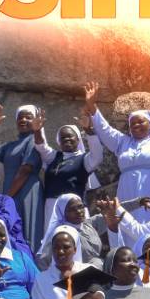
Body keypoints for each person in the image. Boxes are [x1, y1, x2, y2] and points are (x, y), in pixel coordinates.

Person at [86, 71, 150, 223]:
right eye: (132, 123)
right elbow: (104, 129)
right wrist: (92, 106)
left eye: (141, 121)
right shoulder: (123, 142)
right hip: (127, 191)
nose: (136, 125)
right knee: (128, 226)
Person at [33, 93, 104, 226]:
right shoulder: (54, 157)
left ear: (78, 139)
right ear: (59, 142)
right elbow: (41, 147)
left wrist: (88, 129)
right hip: (52, 208)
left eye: (70, 137)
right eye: (63, 138)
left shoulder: (84, 160)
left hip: (75, 209)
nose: (67, 139)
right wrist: (37, 130)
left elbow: (98, 155)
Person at [0, 103, 46, 249]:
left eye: (28, 117)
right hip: (11, 193)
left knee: (27, 232)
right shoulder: (11, 145)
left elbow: (25, 170)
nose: (23, 120)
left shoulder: (33, 141)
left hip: (27, 192)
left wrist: (6, 198)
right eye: (20, 117)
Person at [30, 225, 91, 299]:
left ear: (75, 249)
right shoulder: (42, 279)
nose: (60, 251)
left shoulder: (88, 272)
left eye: (66, 247)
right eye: (56, 248)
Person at [35, 193, 102, 270]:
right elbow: (42, 261)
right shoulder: (60, 235)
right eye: (72, 209)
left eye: (81, 207)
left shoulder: (87, 225)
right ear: (63, 212)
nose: (79, 211)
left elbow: (107, 218)